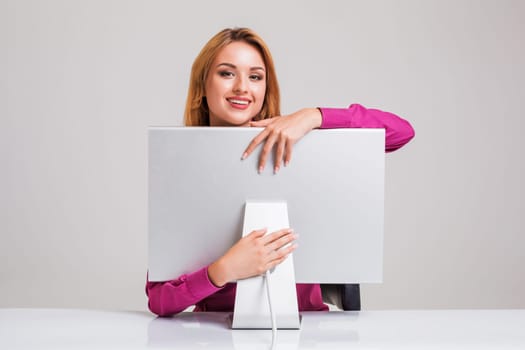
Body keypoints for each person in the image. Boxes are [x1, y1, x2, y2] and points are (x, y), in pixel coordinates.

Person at [146, 27, 415, 317]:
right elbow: (160, 300)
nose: (241, 87)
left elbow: (402, 132)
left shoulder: (296, 144)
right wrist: (222, 270)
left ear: (265, 87)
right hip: (215, 332)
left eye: (255, 76)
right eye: (226, 73)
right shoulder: (183, 164)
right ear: (202, 86)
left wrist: (314, 116)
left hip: (307, 328)